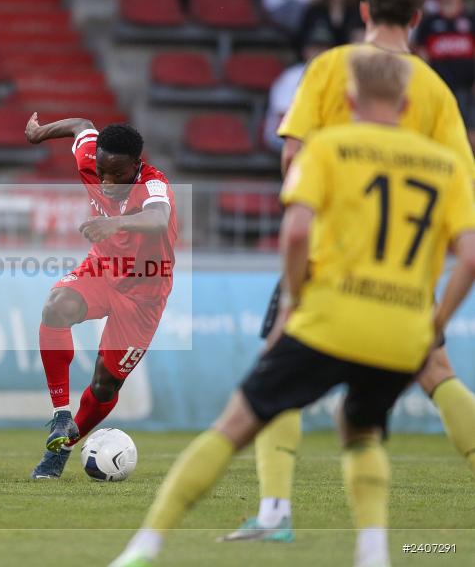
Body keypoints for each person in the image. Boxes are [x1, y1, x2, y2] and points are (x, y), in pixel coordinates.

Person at [109, 47, 475, 567]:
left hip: (329, 318)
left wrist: (297, 298)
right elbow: (470, 255)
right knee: (362, 428)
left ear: (349, 97)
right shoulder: (444, 166)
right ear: (407, 100)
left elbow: (298, 228)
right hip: (401, 329)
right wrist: (435, 322)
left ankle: (146, 546)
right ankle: (373, 553)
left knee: (236, 423)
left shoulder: (329, 148)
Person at [228, 0, 475, 542]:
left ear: (364, 11)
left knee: (276, 364)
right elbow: (462, 179)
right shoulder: (435, 88)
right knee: (435, 369)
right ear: (419, 16)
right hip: (400, 261)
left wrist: (305, 211)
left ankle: (273, 513)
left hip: (329, 252)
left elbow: (293, 156)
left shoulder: (330, 67)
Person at [24, 115, 177, 479]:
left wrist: (117, 223)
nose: (106, 182)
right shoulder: (92, 155)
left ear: (136, 166)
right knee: (55, 307)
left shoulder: (154, 185)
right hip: (102, 270)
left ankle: (66, 447)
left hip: (144, 292)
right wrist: (38, 134)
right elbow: (81, 124)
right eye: (101, 172)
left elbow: (158, 219)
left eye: (117, 175)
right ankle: (61, 417)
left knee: (104, 385)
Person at [414, 0, 475, 144]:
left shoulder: (471, 19)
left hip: (468, 92)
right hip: (438, 91)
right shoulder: (427, 23)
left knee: (470, 139)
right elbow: (421, 57)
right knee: (436, 138)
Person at [295, 0, 364, 54]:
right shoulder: (315, 10)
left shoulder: (359, 8)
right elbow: (303, 39)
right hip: (322, 57)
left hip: (351, 57)